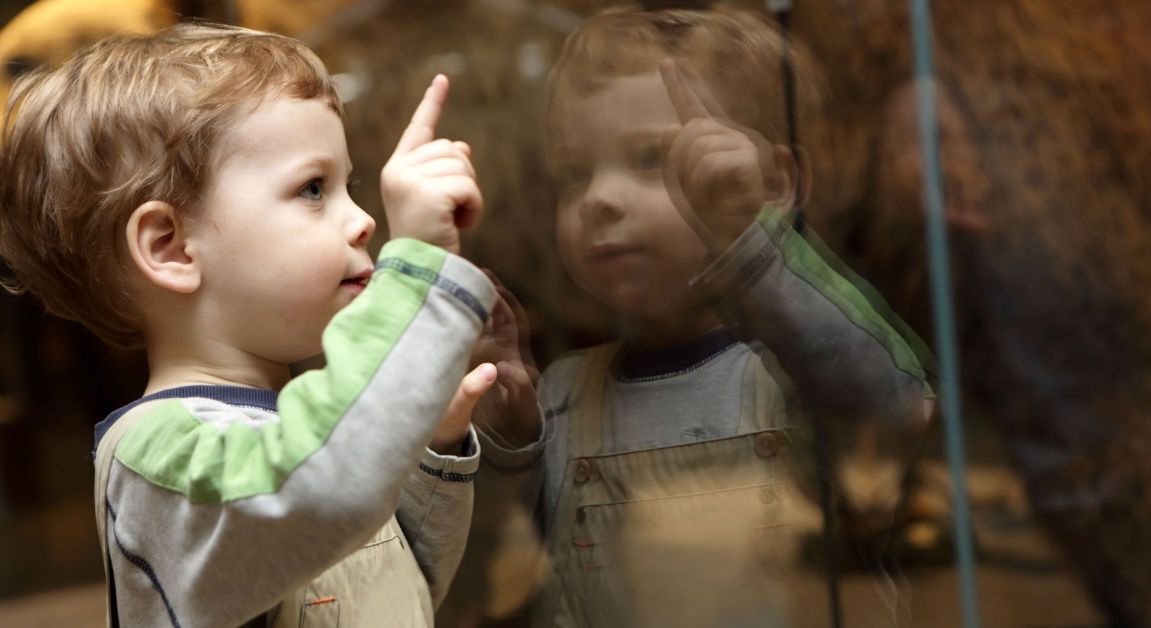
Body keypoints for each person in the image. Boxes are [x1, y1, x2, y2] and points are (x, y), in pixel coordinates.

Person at [449, 5, 937, 627]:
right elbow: (522, 558)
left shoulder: (795, 371)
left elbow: (896, 403)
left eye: (653, 158)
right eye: (574, 173)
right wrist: (511, 436)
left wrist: (746, 235)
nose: (599, 198)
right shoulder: (567, 393)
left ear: (775, 183)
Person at [0, 23, 498, 627]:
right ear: (172, 248)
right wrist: (418, 273)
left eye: (349, 185)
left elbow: (405, 588)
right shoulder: (159, 457)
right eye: (313, 188)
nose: (365, 220)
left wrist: (427, 448)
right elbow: (321, 493)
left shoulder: (306, 430)